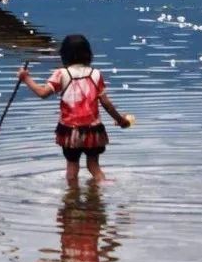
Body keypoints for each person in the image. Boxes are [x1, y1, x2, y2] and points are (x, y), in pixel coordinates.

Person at [19, 34, 131, 184]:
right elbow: (106, 104)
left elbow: (42, 93)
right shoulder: (96, 75)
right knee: (94, 167)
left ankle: (71, 200)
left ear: (64, 55)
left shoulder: (61, 74)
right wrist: (120, 120)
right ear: (89, 54)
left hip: (70, 132)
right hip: (93, 131)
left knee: (72, 169)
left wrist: (26, 79)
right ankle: (102, 190)